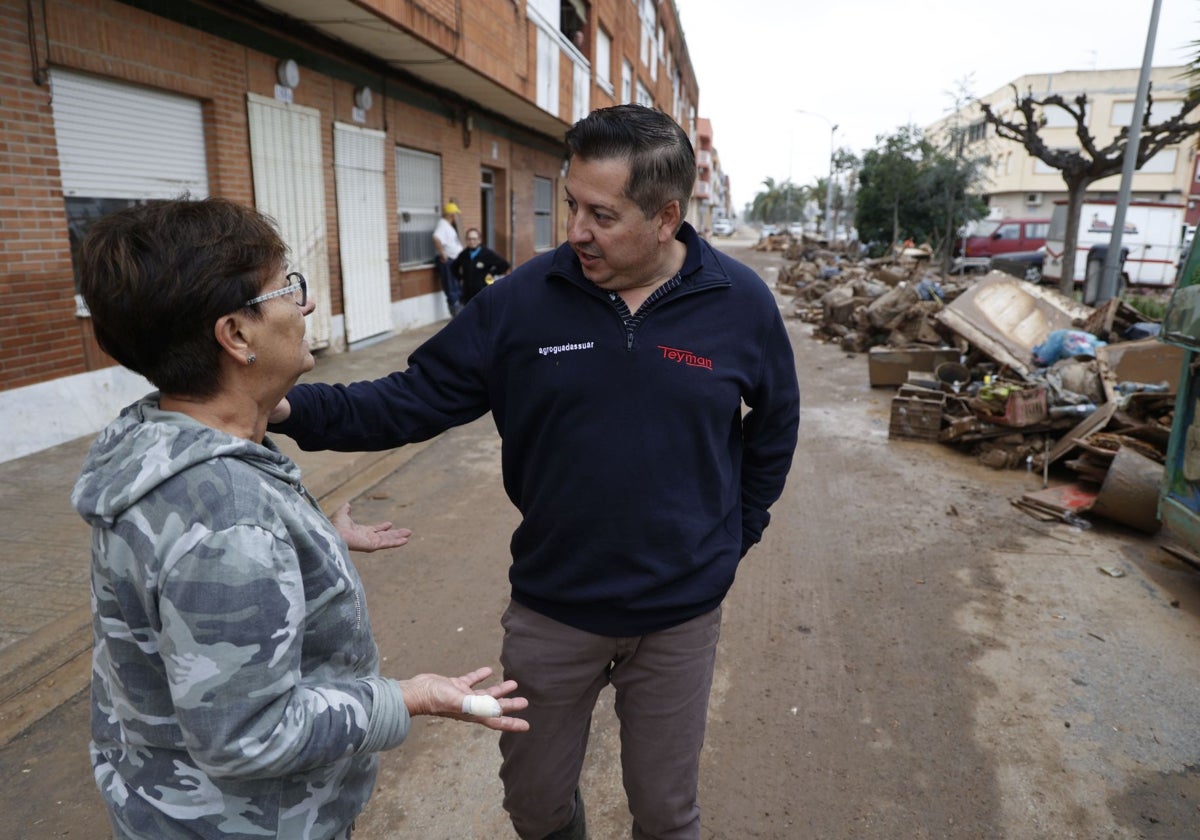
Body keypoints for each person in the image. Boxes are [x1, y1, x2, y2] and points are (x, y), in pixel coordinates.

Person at [270, 103, 801, 839]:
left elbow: (774, 428)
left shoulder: (740, 304)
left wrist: (732, 539)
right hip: (555, 609)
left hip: (679, 617)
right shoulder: (524, 301)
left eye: (602, 215)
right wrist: (283, 406)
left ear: (667, 217)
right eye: (573, 204)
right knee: (536, 805)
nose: (576, 230)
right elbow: (410, 400)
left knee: (666, 812)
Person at [70, 197, 529, 840]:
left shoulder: (160, 438)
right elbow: (248, 735)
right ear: (236, 335)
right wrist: (411, 696)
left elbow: (178, 587)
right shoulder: (228, 521)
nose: (304, 305)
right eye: (287, 288)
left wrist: (306, 544)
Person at [450, 226, 511, 305]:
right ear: (466, 240)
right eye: (469, 239)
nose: (471, 241)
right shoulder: (463, 254)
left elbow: (505, 265)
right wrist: (460, 278)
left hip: (482, 293)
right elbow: (453, 267)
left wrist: (492, 273)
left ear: (479, 240)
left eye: (474, 239)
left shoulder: (487, 254)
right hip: (467, 294)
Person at [433, 201, 465, 315]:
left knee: (456, 285)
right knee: (451, 287)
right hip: (448, 261)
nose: (456, 216)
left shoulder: (447, 225)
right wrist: (443, 253)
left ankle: (459, 312)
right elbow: (436, 238)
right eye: (455, 214)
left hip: (454, 260)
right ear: (451, 215)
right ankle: (456, 313)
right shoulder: (442, 225)